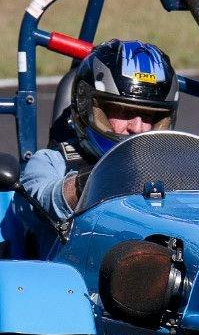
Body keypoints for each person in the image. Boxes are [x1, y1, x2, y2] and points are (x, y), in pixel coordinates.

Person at [19, 39, 180, 221]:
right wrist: (93, 181)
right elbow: (41, 203)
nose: (137, 128)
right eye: (124, 111)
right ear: (87, 108)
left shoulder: (172, 167)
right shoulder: (50, 162)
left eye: (149, 117)